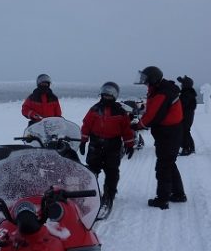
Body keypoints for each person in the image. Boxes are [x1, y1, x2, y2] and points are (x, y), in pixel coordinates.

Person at [132, 66, 187, 209]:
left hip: (169, 133)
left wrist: (138, 125)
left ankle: (162, 199)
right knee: (169, 163)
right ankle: (178, 194)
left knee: (163, 166)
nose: (144, 82)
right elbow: (151, 109)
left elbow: (153, 116)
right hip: (169, 132)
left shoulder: (162, 93)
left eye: (146, 79)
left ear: (153, 79)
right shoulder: (159, 89)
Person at [79, 82, 135, 212]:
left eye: (110, 96)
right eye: (105, 95)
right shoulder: (94, 109)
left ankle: (109, 195)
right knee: (91, 170)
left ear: (114, 96)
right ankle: (90, 193)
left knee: (112, 171)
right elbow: (86, 125)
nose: (107, 98)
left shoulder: (120, 112)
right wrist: (83, 141)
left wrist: (130, 144)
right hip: (96, 144)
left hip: (113, 145)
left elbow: (126, 130)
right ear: (101, 94)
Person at [177, 75, 197, 155]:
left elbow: (182, 104)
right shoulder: (188, 92)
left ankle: (187, 149)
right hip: (187, 115)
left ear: (185, 85)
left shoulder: (187, 93)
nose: (181, 85)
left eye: (182, 84)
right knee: (185, 131)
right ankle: (191, 148)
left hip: (186, 116)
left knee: (185, 132)